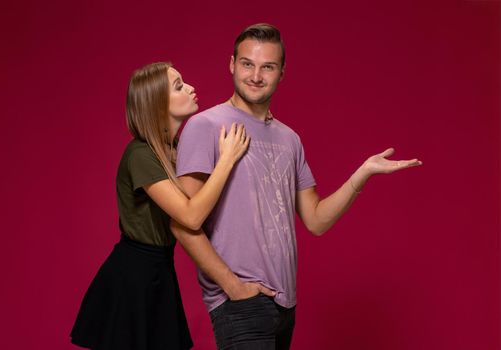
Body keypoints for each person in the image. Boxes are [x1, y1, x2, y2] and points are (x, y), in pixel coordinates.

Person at [170, 23, 422, 350]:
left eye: (268, 67)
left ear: (282, 72)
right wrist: (232, 286)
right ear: (232, 64)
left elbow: (316, 220)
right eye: (247, 64)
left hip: (285, 303)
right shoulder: (206, 126)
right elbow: (184, 222)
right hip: (240, 302)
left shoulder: (289, 139)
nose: (256, 75)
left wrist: (362, 174)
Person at [70, 62, 251, 350]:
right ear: (156, 104)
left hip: (160, 271)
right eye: (178, 86)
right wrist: (227, 159)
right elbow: (190, 216)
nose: (191, 87)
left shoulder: (177, 150)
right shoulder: (140, 153)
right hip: (132, 278)